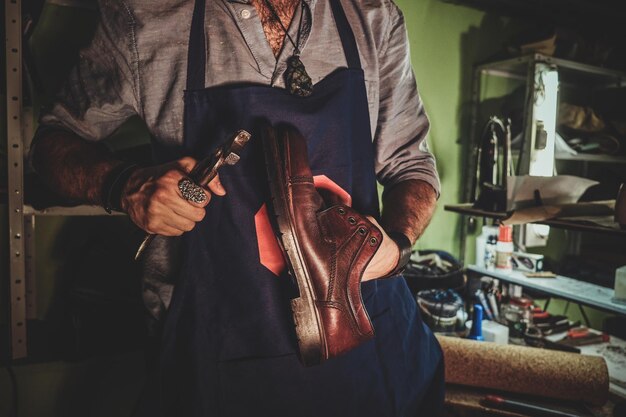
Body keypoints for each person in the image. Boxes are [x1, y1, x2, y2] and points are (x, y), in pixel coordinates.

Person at [30, 0, 444, 415]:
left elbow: (413, 166)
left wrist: (397, 246)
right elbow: (51, 146)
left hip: (372, 349)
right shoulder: (144, 20)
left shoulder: (372, 16)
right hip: (219, 360)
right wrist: (123, 185)